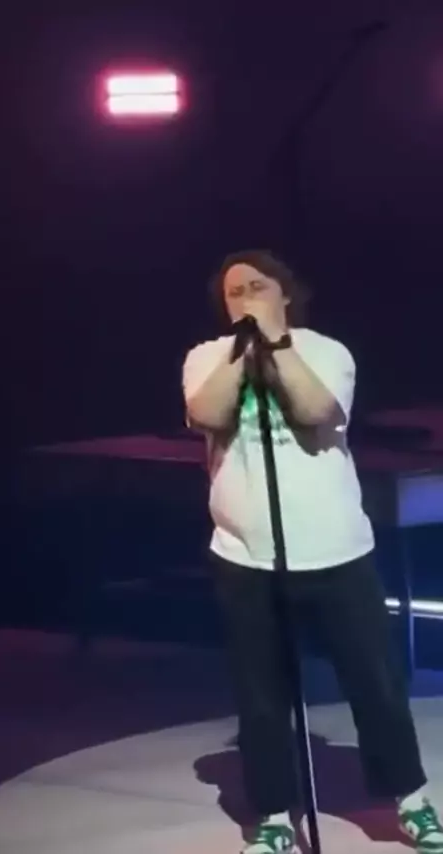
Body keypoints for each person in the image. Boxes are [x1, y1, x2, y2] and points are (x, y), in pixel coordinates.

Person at [182, 249, 443, 854]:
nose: (245, 299)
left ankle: (410, 799)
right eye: (233, 292)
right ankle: (274, 813)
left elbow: (316, 410)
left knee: (375, 684)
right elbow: (209, 412)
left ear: (285, 293)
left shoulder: (325, 352)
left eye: (256, 286)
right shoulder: (207, 357)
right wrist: (245, 352)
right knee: (262, 696)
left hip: (335, 550)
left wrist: (276, 343)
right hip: (245, 556)